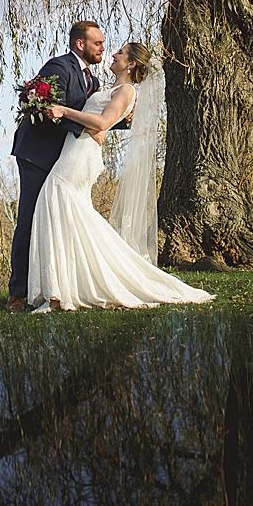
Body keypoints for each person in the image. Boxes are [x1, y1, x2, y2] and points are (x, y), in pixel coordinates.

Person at [26, 41, 214, 312]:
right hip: (75, 149)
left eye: (121, 53)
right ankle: (64, 288)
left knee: (58, 201)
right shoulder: (111, 90)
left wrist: (63, 110)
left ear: (131, 63)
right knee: (68, 212)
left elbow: (103, 122)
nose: (113, 54)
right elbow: (103, 121)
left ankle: (60, 292)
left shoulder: (126, 91)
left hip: (81, 155)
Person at [7, 20, 105, 312]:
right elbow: (51, 112)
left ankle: (55, 286)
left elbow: (91, 118)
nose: (102, 48)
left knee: (60, 221)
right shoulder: (59, 68)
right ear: (80, 44)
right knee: (30, 219)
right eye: (97, 43)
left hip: (66, 160)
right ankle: (17, 293)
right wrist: (88, 129)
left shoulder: (93, 81)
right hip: (38, 155)